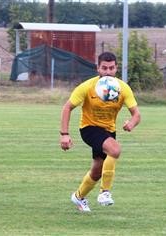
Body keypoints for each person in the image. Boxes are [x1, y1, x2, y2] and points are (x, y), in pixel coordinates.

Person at [59, 52, 141, 212]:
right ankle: (105, 192)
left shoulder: (123, 88)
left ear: (116, 68)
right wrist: (64, 134)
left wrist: (131, 124)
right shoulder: (87, 86)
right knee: (115, 149)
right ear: (98, 68)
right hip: (89, 128)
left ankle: (78, 196)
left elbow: (136, 114)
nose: (108, 72)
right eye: (104, 68)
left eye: (111, 68)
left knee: (97, 171)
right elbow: (67, 107)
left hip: (109, 131)